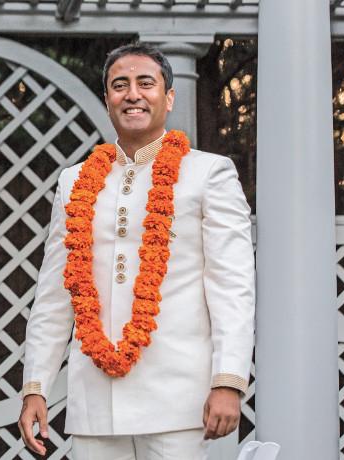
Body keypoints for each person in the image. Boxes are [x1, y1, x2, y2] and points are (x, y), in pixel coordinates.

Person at [18, 43, 255, 459]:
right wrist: (35, 385)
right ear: (107, 99)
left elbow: (231, 285)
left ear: (169, 97)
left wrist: (228, 379)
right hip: (96, 401)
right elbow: (55, 292)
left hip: (180, 399)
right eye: (119, 85)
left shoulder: (208, 173)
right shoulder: (74, 181)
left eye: (146, 83)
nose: (132, 94)